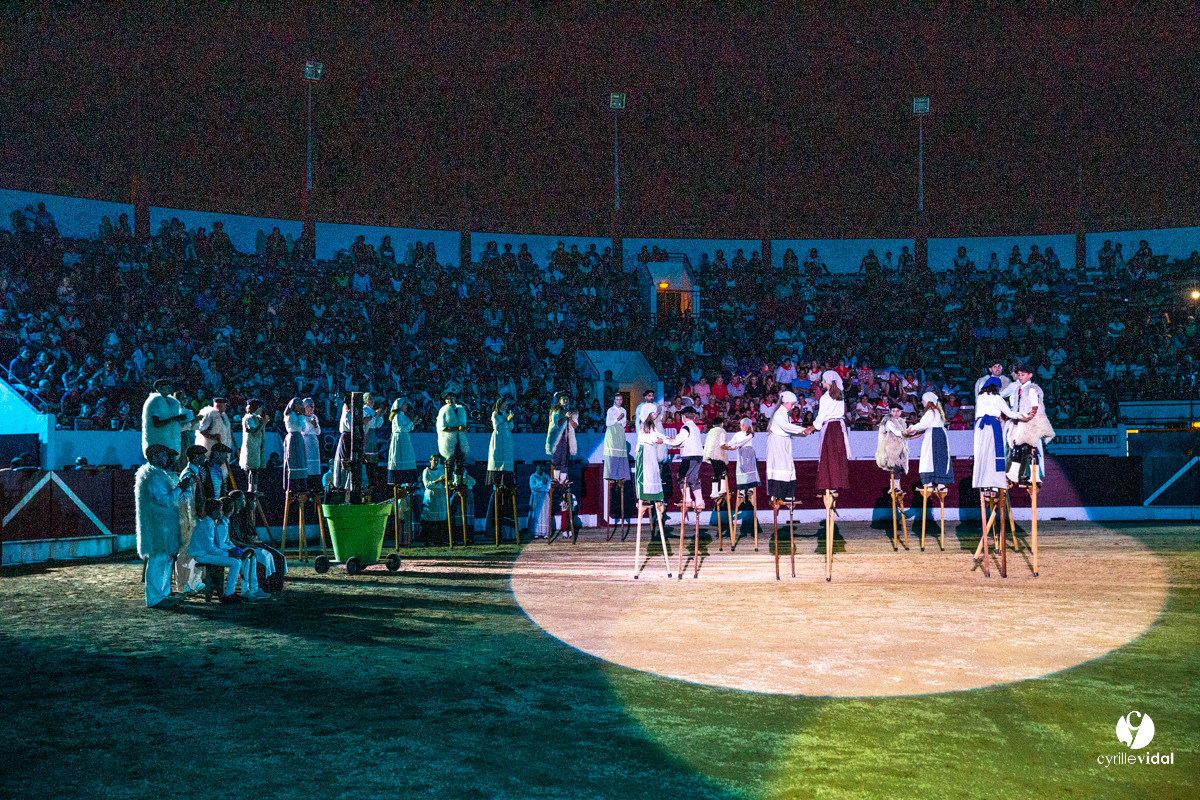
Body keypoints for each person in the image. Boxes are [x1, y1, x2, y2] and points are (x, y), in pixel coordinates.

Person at [135, 444, 192, 609]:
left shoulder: (157, 475)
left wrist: (183, 488)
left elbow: (170, 498)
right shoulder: (152, 476)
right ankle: (155, 597)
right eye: (164, 455)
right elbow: (164, 500)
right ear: (155, 457)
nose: (167, 458)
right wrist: (181, 487)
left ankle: (163, 594)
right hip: (157, 524)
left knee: (165, 559)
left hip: (162, 523)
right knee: (159, 559)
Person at [187, 498, 250, 604]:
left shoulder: (210, 523)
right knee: (235, 562)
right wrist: (228, 553)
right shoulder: (207, 525)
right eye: (220, 510)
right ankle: (229, 594)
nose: (222, 512)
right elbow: (210, 548)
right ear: (214, 511)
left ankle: (230, 593)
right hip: (202, 555)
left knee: (236, 561)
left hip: (205, 553)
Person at [1007, 363, 1056, 485]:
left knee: (1025, 447)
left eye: (1023, 375)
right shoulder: (1022, 388)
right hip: (1023, 421)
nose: (1020, 377)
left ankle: (1029, 475)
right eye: (1019, 374)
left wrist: (1028, 417)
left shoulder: (1032, 389)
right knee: (1026, 447)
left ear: (1030, 375)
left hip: (1029, 423)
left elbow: (1035, 406)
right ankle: (1024, 475)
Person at [214, 497, 269, 600]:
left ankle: (253, 588)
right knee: (244, 560)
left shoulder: (226, 522)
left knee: (251, 557)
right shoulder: (222, 524)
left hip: (228, 549)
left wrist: (235, 547)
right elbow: (221, 544)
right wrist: (233, 550)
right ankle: (245, 590)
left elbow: (228, 541)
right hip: (222, 552)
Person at [805, 370, 851, 494]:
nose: (822, 382)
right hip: (839, 428)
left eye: (823, 380)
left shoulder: (825, 398)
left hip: (830, 428)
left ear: (827, 382)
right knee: (838, 454)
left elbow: (821, 417)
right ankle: (836, 483)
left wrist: (812, 428)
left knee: (829, 455)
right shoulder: (840, 395)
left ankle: (830, 483)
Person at [972, 377, 1021, 491]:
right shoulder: (997, 398)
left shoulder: (980, 397)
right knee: (993, 454)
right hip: (992, 425)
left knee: (981, 453)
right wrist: (1023, 414)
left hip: (980, 427)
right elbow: (1010, 413)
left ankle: (982, 483)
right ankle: (994, 484)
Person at [907, 392, 953, 489]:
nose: (922, 402)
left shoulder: (930, 412)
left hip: (934, 436)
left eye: (924, 400)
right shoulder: (937, 411)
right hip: (940, 435)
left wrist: (910, 428)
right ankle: (940, 484)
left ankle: (928, 484)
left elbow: (922, 425)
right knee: (939, 458)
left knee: (928, 457)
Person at [766, 391, 806, 500]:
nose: (793, 407)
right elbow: (786, 426)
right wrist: (804, 430)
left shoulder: (785, 414)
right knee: (779, 467)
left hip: (783, 443)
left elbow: (788, 429)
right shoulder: (779, 414)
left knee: (787, 466)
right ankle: (778, 494)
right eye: (791, 404)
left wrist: (803, 433)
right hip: (777, 443)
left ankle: (787, 494)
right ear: (785, 402)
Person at [667, 406, 705, 515]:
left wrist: (665, 441)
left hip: (689, 456)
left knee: (681, 477)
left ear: (683, 417)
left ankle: (687, 499)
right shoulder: (695, 428)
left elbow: (675, 441)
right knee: (693, 478)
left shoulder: (686, 428)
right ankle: (699, 501)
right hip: (698, 456)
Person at [141, 379, 187, 458]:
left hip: (170, 442)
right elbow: (157, 423)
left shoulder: (171, 402)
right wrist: (175, 418)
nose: (168, 390)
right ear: (159, 389)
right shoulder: (154, 402)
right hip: (158, 441)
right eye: (166, 388)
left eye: (169, 388)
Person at [875, 404, 910, 492]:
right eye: (894, 411)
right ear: (890, 412)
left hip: (899, 449)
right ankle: (893, 487)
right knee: (895, 467)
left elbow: (903, 435)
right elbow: (896, 431)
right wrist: (906, 432)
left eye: (897, 411)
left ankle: (896, 487)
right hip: (891, 449)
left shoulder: (901, 422)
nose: (896, 413)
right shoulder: (889, 421)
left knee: (898, 469)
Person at [239, 398, 269, 493]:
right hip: (251, 447)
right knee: (252, 469)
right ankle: (251, 489)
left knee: (256, 469)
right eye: (260, 407)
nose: (261, 409)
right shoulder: (249, 418)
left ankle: (254, 488)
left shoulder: (257, 418)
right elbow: (254, 432)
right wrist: (263, 424)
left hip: (257, 446)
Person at [437, 390, 470, 472]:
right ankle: (448, 481)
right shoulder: (443, 411)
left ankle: (458, 481)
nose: (450, 400)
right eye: (448, 399)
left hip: (460, 439)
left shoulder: (461, 410)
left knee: (460, 461)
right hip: (449, 440)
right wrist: (457, 428)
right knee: (450, 461)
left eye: (452, 398)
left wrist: (463, 428)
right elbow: (442, 427)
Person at [387, 397, 418, 485]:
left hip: (405, 439)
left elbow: (408, 428)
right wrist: (412, 423)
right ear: (399, 406)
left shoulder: (404, 416)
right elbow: (401, 428)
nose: (406, 406)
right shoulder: (397, 416)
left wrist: (414, 423)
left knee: (406, 456)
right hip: (399, 439)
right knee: (399, 456)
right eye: (404, 404)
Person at [486, 397, 515, 488]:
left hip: (507, 437)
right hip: (499, 437)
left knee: (507, 456)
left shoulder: (507, 414)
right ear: (500, 404)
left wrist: (509, 420)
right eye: (504, 404)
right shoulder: (495, 414)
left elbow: (511, 427)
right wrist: (507, 420)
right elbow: (497, 426)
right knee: (498, 455)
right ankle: (497, 480)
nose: (506, 406)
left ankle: (506, 481)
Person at [282, 397, 309, 494]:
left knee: (300, 460)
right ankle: (294, 485)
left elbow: (303, 428)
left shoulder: (296, 416)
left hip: (298, 438)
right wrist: (301, 417)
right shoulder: (290, 416)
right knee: (293, 461)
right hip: (293, 438)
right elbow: (299, 427)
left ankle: (301, 485)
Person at [603, 394, 632, 482]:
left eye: (620, 399)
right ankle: (611, 474)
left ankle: (620, 474)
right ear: (614, 400)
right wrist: (618, 419)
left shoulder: (623, 410)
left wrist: (623, 423)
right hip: (612, 431)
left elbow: (623, 424)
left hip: (620, 431)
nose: (619, 401)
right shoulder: (610, 410)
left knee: (620, 452)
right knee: (612, 451)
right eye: (617, 399)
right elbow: (608, 423)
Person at [420, 454, 448, 538]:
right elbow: (427, 484)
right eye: (434, 460)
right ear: (430, 461)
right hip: (431, 497)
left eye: (437, 461)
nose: (436, 462)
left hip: (439, 496)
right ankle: (428, 538)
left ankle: (439, 538)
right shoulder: (426, 471)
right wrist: (438, 480)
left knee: (440, 517)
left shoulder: (441, 470)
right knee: (430, 517)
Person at [703, 415, 729, 500]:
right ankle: (722, 489)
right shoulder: (722, 431)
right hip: (718, 454)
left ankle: (714, 492)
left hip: (711, 454)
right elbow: (722, 443)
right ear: (721, 424)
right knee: (724, 471)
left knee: (716, 472)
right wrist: (729, 448)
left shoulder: (710, 432)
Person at [301, 398, 323, 486]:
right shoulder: (301, 418)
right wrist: (311, 424)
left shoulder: (314, 417)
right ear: (305, 407)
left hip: (313, 442)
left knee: (314, 465)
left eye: (313, 407)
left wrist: (315, 425)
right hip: (305, 442)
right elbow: (304, 430)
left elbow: (318, 432)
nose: (312, 409)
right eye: (311, 407)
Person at [527, 463, 552, 539]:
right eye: (539, 466)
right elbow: (533, 487)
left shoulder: (547, 476)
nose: (541, 468)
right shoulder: (533, 476)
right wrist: (541, 483)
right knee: (536, 514)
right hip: (536, 496)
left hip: (544, 496)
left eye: (542, 466)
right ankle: (535, 532)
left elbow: (548, 487)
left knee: (545, 513)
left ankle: (545, 532)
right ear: (536, 467)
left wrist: (544, 486)